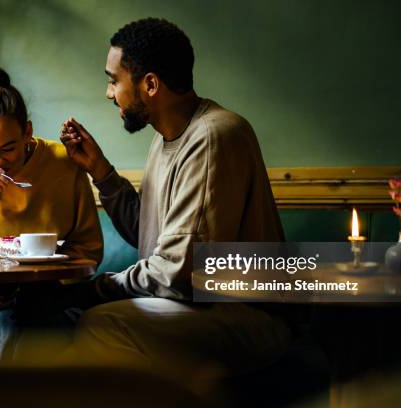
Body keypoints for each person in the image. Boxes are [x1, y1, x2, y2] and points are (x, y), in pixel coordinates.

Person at [59, 18, 291, 372]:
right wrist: (101, 171)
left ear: (150, 84)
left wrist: (93, 290)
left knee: (102, 324)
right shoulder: (165, 137)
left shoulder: (214, 136)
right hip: (193, 305)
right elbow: (150, 236)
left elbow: (177, 272)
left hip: (246, 314)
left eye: (113, 80)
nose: (109, 93)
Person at [0, 66, 103, 262]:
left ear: (27, 132)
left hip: (48, 286)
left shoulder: (63, 162)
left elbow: (89, 250)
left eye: (8, 149)